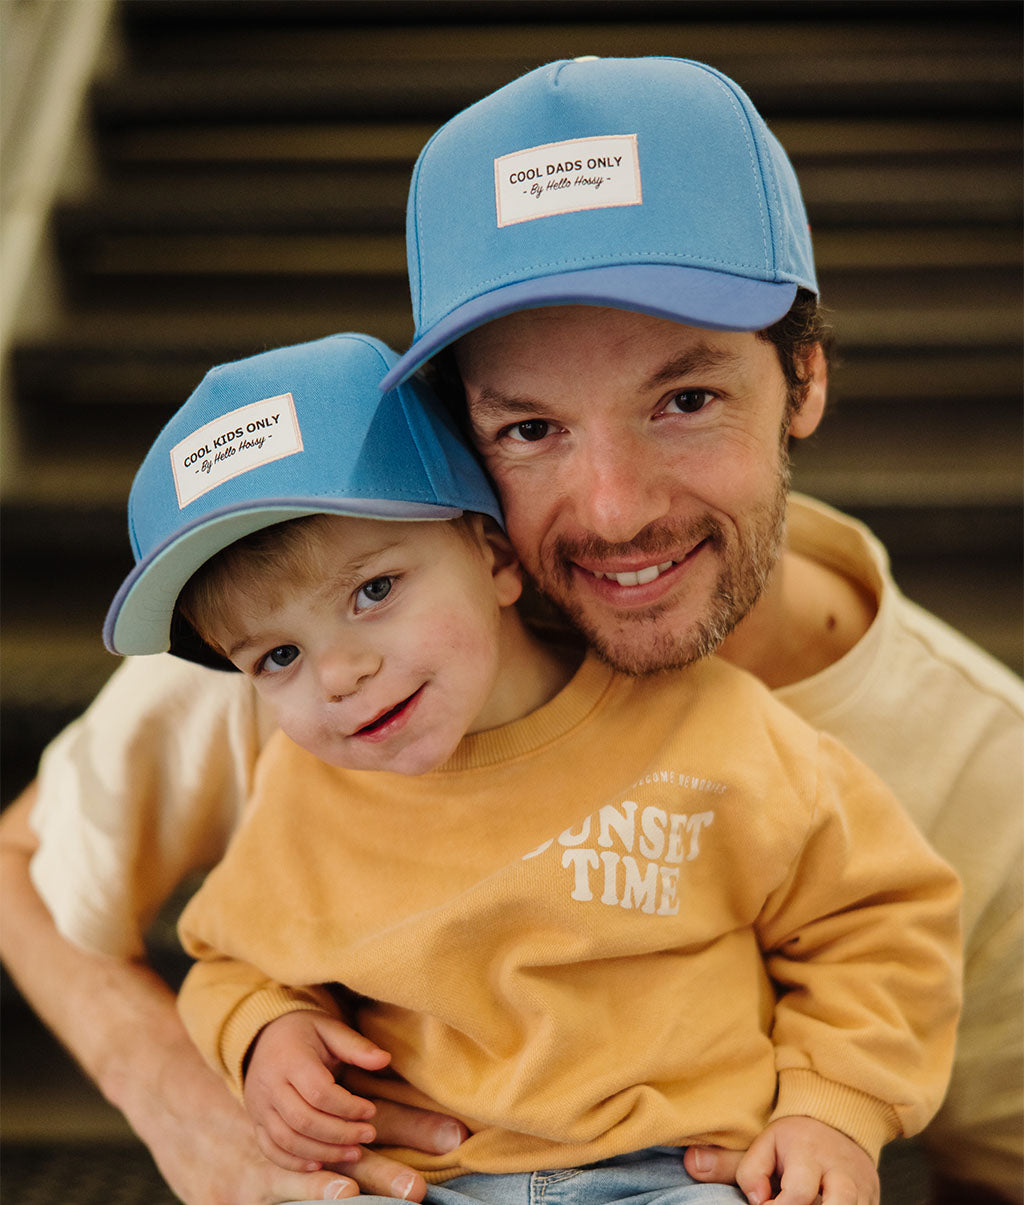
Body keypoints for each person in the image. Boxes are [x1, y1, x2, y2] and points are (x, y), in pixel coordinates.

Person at [0, 54, 1020, 1205]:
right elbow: (24, 864)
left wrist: (831, 1117)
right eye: (530, 426)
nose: (615, 507)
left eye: (685, 399)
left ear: (804, 379)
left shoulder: (988, 771)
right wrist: (192, 1098)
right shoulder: (328, 633)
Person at [104, 328, 959, 1205]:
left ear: (496, 555)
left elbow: (881, 919)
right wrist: (266, 1031)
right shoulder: (303, 790)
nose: (337, 674)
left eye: (374, 592)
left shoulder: (711, 727)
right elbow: (234, 960)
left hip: (679, 1170)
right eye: (277, 655)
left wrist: (832, 1107)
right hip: (429, 1179)